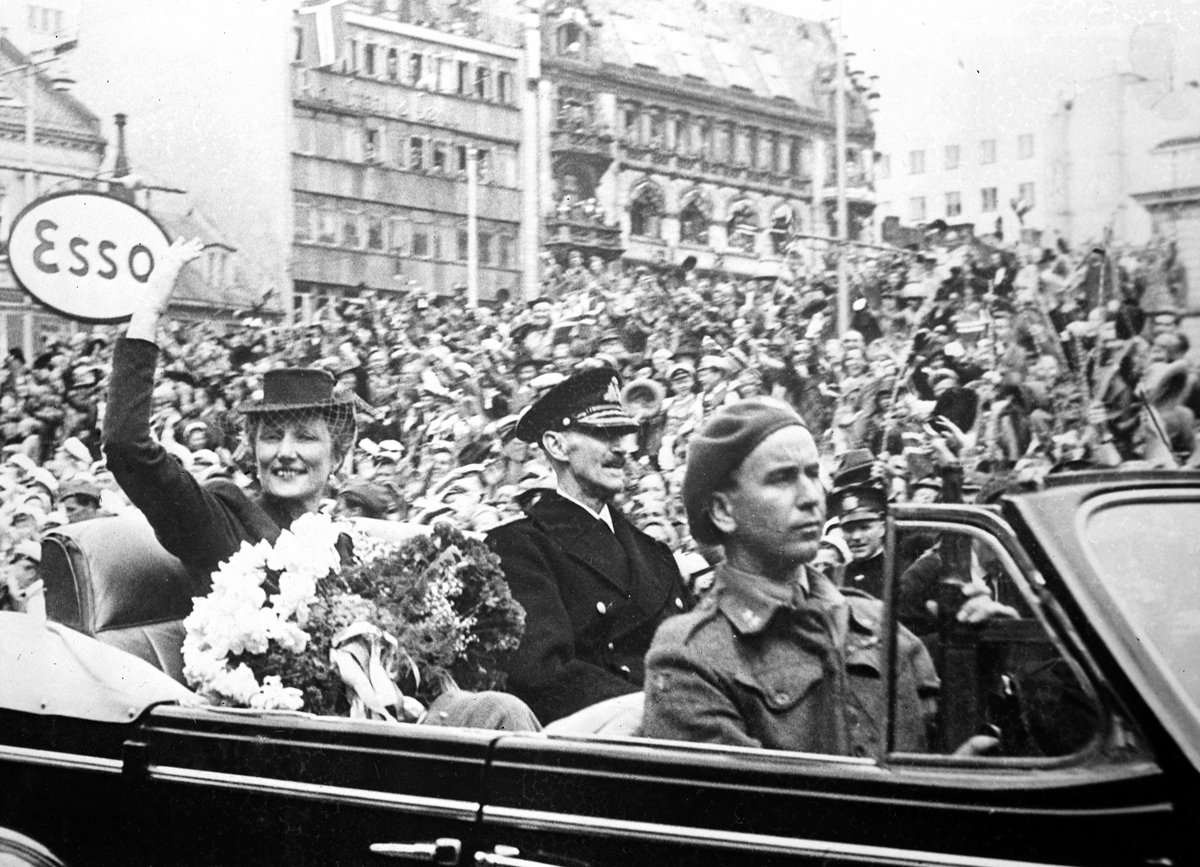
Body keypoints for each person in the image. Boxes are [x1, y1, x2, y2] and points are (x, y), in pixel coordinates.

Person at [102, 238, 538, 731]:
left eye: (305, 437)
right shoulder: (222, 517)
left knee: (504, 711)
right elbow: (126, 447)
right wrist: (151, 305)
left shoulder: (347, 543)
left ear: (339, 453)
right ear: (252, 448)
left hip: (386, 719)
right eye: (271, 437)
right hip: (294, 733)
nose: (285, 452)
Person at [641, 398, 938, 755]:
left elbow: (939, 740)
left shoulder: (871, 620)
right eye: (782, 478)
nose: (812, 497)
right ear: (722, 511)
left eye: (813, 474)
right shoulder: (691, 657)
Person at [487, 367, 691, 724]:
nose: (619, 449)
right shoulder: (519, 547)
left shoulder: (655, 554)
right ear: (556, 445)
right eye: (602, 433)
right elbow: (543, 677)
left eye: (622, 434)